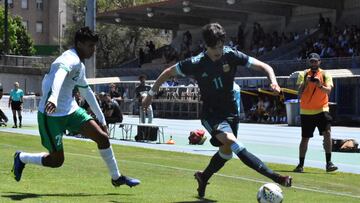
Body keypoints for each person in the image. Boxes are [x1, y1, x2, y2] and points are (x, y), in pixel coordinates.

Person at [142, 23, 292, 199]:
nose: (219, 51)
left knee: (226, 153)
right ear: (206, 46)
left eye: (221, 46)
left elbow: (266, 67)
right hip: (211, 114)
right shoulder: (196, 63)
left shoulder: (231, 54)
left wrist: (273, 81)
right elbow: (167, 72)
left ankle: (203, 177)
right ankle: (275, 177)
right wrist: (151, 94)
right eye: (215, 48)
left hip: (231, 111)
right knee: (231, 140)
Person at [11, 27, 140, 187]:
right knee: (57, 161)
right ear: (79, 43)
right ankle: (22, 157)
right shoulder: (68, 58)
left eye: (94, 46)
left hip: (71, 111)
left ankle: (116, 177)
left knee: (102, 138)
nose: (93, 50)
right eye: (90, 46)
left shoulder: (80, 65)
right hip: (51, 115)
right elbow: (59, 75)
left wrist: (102, 120)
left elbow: (86, 91)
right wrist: (53, 98)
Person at [293, 53, 338, 173]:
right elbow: (299, 92)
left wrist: (319, 85)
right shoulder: (303, 74)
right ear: (309, 62)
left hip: (322, 109)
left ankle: (329, 163)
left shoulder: (325, 74)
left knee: (327, 133)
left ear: (319, 62)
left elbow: (328, 91)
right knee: (305, 138)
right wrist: (306, 83)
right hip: (306, 111)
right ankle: (300, 165)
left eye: (315, 61)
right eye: (311, 61)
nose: (313, 63)